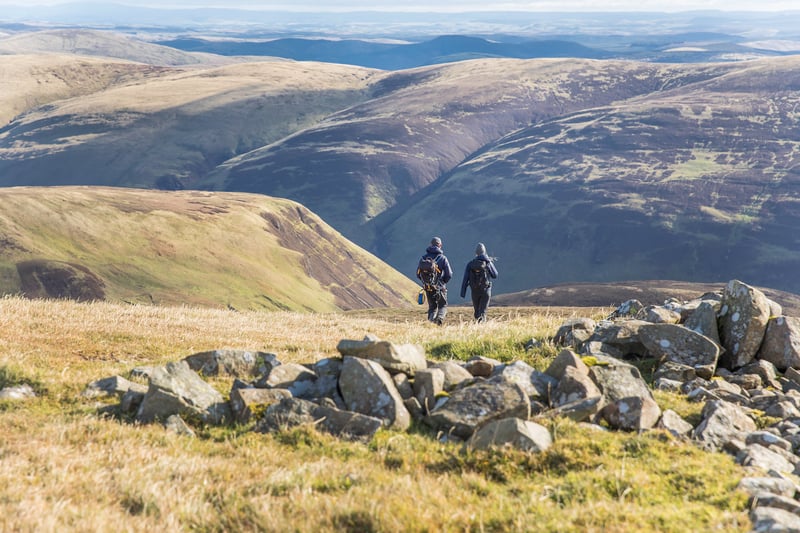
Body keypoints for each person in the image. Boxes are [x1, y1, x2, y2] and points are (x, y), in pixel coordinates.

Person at [416, 236, 452, 325]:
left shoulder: (423, 258)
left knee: (432, 307)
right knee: (442, 306)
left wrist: (426, 281)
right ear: (440, 245)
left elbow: (418, 274)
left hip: (428, 287)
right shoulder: (443, 258)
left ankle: (430, 324)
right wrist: (442, 282)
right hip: (440, 287)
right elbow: (449, 274)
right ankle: (439, 320)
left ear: (430, 245)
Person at [460, 242, 498, 323]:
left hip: (474, 291)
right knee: (483, 311)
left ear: (476, 253)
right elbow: (495, 275)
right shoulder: (488, 262)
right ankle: (481, 326)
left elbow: (465, 279)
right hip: (486, 290)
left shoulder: (470, 264)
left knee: (477, 311)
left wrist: (463, 293)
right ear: (484, 251)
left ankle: (478, 325)